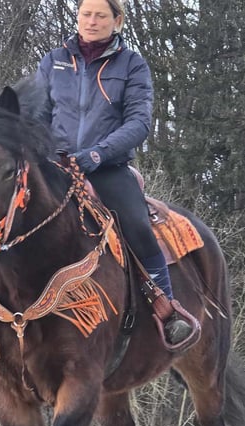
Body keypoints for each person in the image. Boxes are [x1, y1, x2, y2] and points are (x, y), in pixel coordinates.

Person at [34, 0, 197, 351]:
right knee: (10, 213)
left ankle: (166, 308)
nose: (91, 21)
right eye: (85, 14)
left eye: (101, 15)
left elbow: (138, 123)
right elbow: (36, 116)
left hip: (106, 167)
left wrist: (96, 154)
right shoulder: (53, 61)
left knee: (137, 225)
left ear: (117, 20)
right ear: (77, 17)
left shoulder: (132, 65)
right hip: (55, 166)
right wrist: (44, 154)